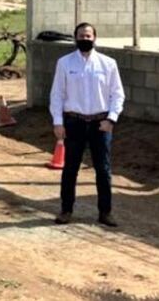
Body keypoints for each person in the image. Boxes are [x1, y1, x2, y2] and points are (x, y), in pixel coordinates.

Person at [50, 22, 125, 227]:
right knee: (70, 169)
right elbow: (57, 94)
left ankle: (105, 212)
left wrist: (111, 119)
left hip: (100, 124)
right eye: (81, 36)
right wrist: (58, 122)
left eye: (89, 35)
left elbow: (117, 94)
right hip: (74, 122)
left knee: (103, 170)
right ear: (75, 38)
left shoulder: (108, 64)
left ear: (95, 38)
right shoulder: (64, 63)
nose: (85, 39)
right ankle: (66, 210)